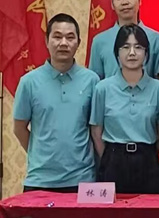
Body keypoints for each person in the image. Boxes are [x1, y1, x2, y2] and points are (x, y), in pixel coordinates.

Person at [13, 14, 98, 192]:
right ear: (47, 41)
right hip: (40, 180)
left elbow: (96, 129)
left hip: (82, 179)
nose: (63, 43)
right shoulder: (29, 82)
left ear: (79, 43)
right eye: (57, 37)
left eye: (70, 37)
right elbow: (19, 128)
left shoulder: (91, 81)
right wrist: (40, 155)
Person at [90, 25, 159, 194]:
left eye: (138, 47)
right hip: (113, 160)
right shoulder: (102, 89)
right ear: (117, 53)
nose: (132, 53)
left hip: (147, 160)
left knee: (150, 210)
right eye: (125, 47)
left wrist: (146, 152)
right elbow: (96, 131)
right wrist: (110, 157)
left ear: (146, 54)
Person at [88, 0, 159, 79]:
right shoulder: (99, 41)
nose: (125, 2)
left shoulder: (157, 39)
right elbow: (95, 81)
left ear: (139, 0)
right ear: (112, 4)